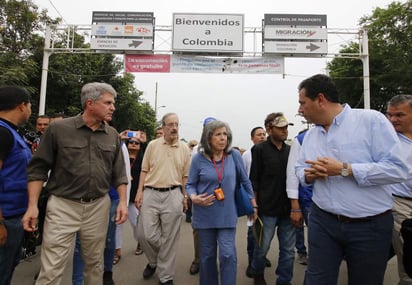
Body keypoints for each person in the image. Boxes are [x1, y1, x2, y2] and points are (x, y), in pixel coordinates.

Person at [295, 74, 409, 285]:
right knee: (316, 279)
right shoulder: (311, 136)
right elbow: (300, 169)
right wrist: (309, 175)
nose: (300, 109)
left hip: (369, 226)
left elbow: (398, 169)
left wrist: (345, 169)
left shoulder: (371, 121)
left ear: (320, 99)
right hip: (323, 220)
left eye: (303, 103)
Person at [22, 82, 129, 285]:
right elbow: (38, 169)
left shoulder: (112, 135)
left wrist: (123, 202)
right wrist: (32, 206)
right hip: (63, 206)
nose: (113, 107)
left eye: (112, 103)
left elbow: (119, 174)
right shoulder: (58, 129)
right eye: (108, 102)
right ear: (90, 103)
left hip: (98, 206)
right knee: (52, 267)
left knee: (94, 265)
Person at [185, 120, 257, 285]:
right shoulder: (198, 158)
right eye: (218, 134)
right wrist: (193, 197)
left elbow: (245, 181)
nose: (223, 138)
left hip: (227, 214)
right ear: (209, 138)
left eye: (225, 134)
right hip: (204, 215)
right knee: (207, 257)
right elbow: (189, 184)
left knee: (227, 254)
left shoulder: (234, 156)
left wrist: (253, 204)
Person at [135, 112, 191, 285]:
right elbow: (144, 170)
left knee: (170, 238)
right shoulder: (153, 145)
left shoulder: (184, 148)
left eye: (177, 124)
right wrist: (139, 191)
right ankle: (154, 262)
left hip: (174, 194)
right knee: (144, 235)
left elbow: (185, 176)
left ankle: (165, 276)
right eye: (170, 124)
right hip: (150, 192)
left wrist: (184, 196)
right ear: (163, 127)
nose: (174, 128)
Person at [249, 113, 296, 285]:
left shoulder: (291, 151)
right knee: (262, 248)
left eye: (286, 127)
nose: (285, 131)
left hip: (287, 209)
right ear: (269, 129)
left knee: (288, 251)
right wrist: (254, 206)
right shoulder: (259, 150)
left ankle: (284, 280)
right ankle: (258, 273)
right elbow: (254, 179)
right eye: (280, 128)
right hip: (266, 209)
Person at [0, 86, 32, 285]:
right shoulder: (3, 134)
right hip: (6, 217)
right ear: (21, 106)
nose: (30, 110)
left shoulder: (12, 132)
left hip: (14, 216)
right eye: (29, 106)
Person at [386, 94, 412, 285]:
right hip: (400, 205)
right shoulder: (386, 140)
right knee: (409, 260)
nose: (393, 119)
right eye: (390, 115)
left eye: (399, 115)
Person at [188, 117, 216, 276]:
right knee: (198, 231)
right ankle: (197, 259)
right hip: (200, 197)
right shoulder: (197, 149)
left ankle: (212, 261)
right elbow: (192, 176)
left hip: (219, 199)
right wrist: (192, 197)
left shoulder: (224, 148)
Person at [242, 126, 271, 278]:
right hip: (251, 199)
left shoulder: (268, 152)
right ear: (252, 138)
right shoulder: (247, 155)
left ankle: (260, 257)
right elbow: (244, 178)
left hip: (266, 199)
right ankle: (251, 261)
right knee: (252, 232)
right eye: (259, 135)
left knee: (264, 232)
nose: (262, 137)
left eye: (263, 134)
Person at [113, 131, 147, 263]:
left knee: (136, 223)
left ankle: (140, 242)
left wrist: (144, 142)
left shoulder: (143, 159)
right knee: (118, 224)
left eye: (136, 143)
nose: (133, 144)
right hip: (121, 195)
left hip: (134, 198)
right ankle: (117, 251)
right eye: (131, 142)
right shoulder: (121, 156)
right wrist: (119, 138)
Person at [286, 129, 312, 266]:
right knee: (300, 228)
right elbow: (292, 173)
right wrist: (294, 205)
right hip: (307, 198)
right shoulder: (301, 140)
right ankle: (301, 251)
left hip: (331, 200)